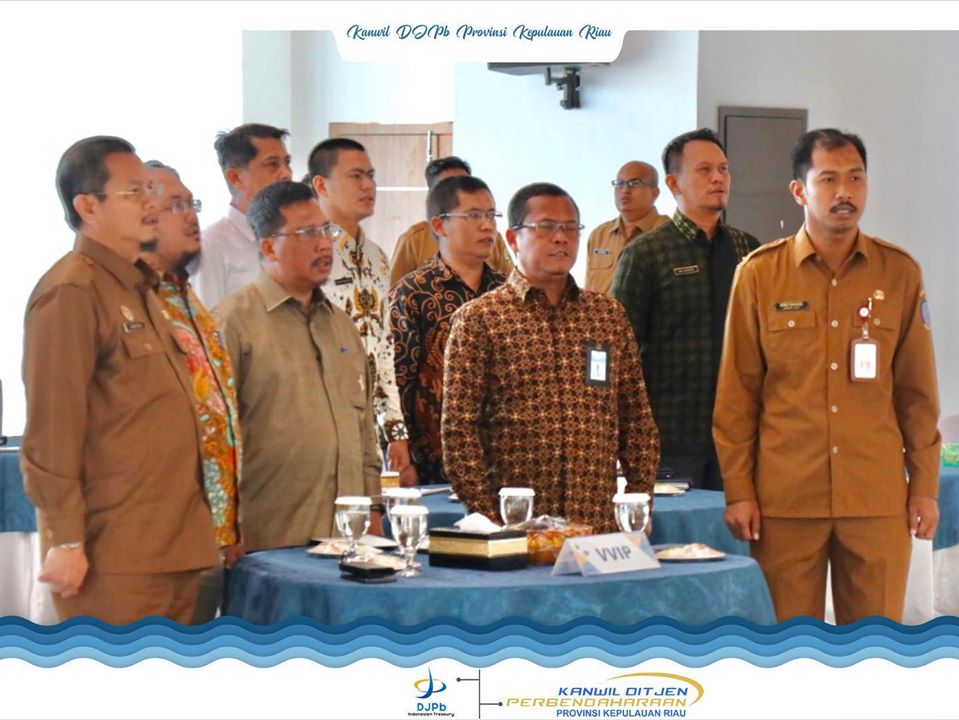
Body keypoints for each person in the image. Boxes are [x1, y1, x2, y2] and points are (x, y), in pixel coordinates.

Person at [713, 128, 940, 623]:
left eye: (856, 178)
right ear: (799, 191)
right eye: (829, 179)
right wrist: (740, 491)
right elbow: (737, 395)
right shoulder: (759, 274)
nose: (845, 192)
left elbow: (917, 395)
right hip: (786, 499)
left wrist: (924, 485)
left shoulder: (899, 273)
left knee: (875, 646)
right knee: (789, 647)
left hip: (874, 496)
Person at [21, 136, 218, 623]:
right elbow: (52, 430)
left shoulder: (141, 287)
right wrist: (66, 539)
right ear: (88, 207)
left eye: (151, 190)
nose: (151, 203)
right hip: (115, 559)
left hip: (176, 547)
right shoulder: (72, 291)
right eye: (134, 192)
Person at [442, 182, 660, 532]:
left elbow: (636, 417)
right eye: (545, 227)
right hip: (516, 528)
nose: (561, 238)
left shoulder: (607, 316)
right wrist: (490, 520)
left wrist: (639, 498)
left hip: (596, 526)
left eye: (570, 228)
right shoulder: (480, 319)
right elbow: (459, 430)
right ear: (512, 239)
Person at [214, 181, 381, 551]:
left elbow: (365, 429)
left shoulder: (342, 325)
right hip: (269, 542)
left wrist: (373, 508)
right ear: (268, 247)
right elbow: (213, 441)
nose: (324, 244)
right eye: (307, 233)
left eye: (326, 230)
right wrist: (224, 528)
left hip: (350, 541)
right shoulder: (231, 325)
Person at [611, 128, 759, 490]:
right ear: (674, 183)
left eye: (723, 169)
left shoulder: (748, 250)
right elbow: (619, 350)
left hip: (739, 438)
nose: (718, 178)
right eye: (704, 170)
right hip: (670, 439)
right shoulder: (646, 254)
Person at [142, 160, 243, 621]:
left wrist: (232, 522)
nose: (192, 217)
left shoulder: (190, 301)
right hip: (160, 542)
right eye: (177, 206)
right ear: (143, 215)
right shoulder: (135, 302)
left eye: (192, 204)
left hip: (213, 535)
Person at [390, 175, 506, 486]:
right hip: (432, 469)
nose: (487, 226)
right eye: (474, 215)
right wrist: (402, 454)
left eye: (491, 215)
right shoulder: (412, 294)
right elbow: (396, 383)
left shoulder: (507, 292)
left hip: (502, 465)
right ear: (440, 225)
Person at [307, 137, 411, 474]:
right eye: (355, 176)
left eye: (371, 175)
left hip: (366, 428)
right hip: (318, 421)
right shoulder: (309, 252)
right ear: (321, 185)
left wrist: (395, 430)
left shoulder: (376, 257)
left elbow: (384, 346)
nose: (368, 185)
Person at [192, 123, 293, 307]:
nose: (286, 173)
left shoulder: (290, 236)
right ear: (235, 178)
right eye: (273, 164)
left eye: (287, 163)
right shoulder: (211, 245)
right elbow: (208, 319)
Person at [389, 156, 513, 284]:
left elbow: (511, 282)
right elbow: (393, 287)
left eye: (464, 184)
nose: (486, 225)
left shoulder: (492, 239)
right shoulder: (414, 240)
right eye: (473, 215)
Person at [584, 160, 669, 294]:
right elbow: (588, 291)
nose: (625, 190)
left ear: (655, 192)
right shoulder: (600, 235)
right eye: (620, 183)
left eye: (635, 183)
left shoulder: (669, 234)